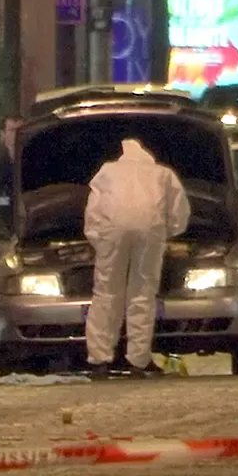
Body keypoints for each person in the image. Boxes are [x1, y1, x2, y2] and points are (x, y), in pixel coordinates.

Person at [83, 137, 192, 380]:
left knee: (106, 292)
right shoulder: (162, 174)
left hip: (112, 232)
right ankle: (138, 361)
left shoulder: (108, 172)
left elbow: (94, 207)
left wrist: (97, 239)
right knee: (142, 292)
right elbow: (178, 210)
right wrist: (169, 232)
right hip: (150, 231)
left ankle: (99, 360)